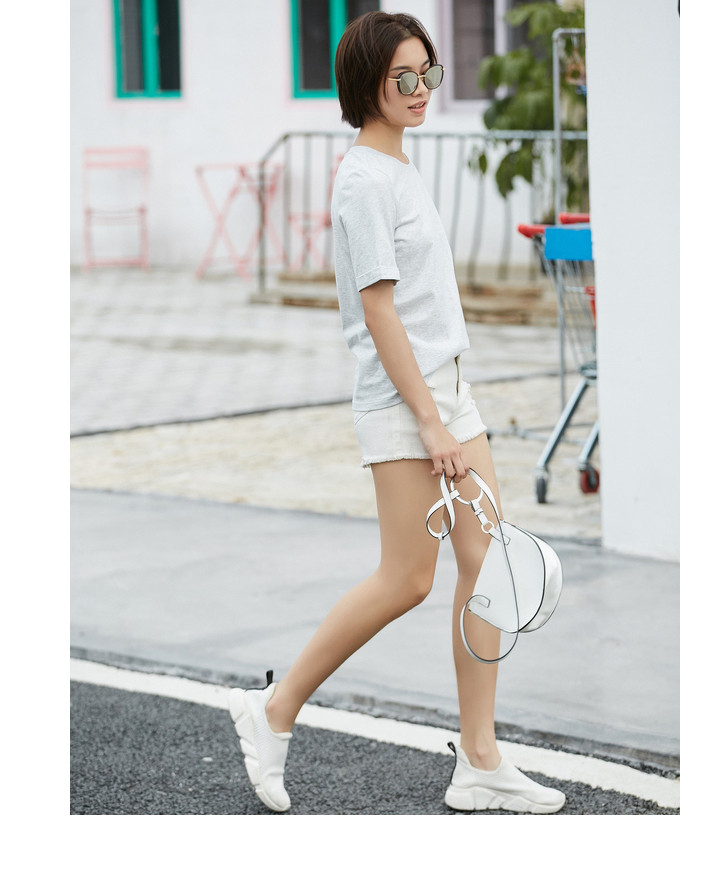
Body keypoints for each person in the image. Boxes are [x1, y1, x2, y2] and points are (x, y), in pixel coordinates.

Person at [229, 10, 565, 815]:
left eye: (428, 73)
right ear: (365, 86)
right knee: (407, 578)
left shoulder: (400, 166)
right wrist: (429, 421)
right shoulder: (362, 182)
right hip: (403, 398)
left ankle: (479, 758)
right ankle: (274, 709)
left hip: (448, 388)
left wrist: (447, 409)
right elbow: (379, 310)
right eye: (402, 78)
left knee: (487, 565)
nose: (420, 90)